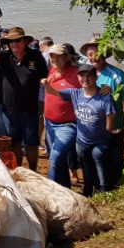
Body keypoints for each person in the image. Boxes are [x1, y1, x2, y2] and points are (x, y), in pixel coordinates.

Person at [0, 27, 48, 170]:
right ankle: (18, 170)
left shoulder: (36, 56)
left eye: (17, 41)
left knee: (32, 144)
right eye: (11, 41)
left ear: (25, 41)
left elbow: (45, 76)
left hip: (31, 108)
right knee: (15, 143)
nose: (14, 44)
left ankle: (33, 171)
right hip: (9, 109)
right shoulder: (5, 55)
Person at [43, 64, 119, 196]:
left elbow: (111, 114)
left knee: (98, 157)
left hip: (101, 140)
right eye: (82, 75)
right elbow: (52, 92)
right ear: (78, 77)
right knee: (86, 164)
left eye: (89, 76)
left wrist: (109, 127)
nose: (85, 79)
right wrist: (46, 84)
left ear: (95, 77)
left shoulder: (104, 96)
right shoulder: (75, 93)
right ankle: (87, 190)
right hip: (82, 140)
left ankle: (104, 190)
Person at [80, 37, 124, 186]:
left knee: (116, 161)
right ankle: (98, 188)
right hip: (91, 129)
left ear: (105, 53)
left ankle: (111, 186)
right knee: (92, 161)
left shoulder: (116, 75)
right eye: (90, 54)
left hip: (114, 126)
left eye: (97, 53)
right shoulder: (82, 74)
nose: (94, 57)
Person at [43, 44, 82, 188]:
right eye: (52, 55)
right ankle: (65, 188)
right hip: (49, 123)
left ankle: (51, 187)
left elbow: (91, 86)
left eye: (59, 56)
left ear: (67, 57)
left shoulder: (76, 73)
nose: (55, 59)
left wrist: (104, 88)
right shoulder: (53, 70)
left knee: (56, 156)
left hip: (67, 125)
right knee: (59, 160)